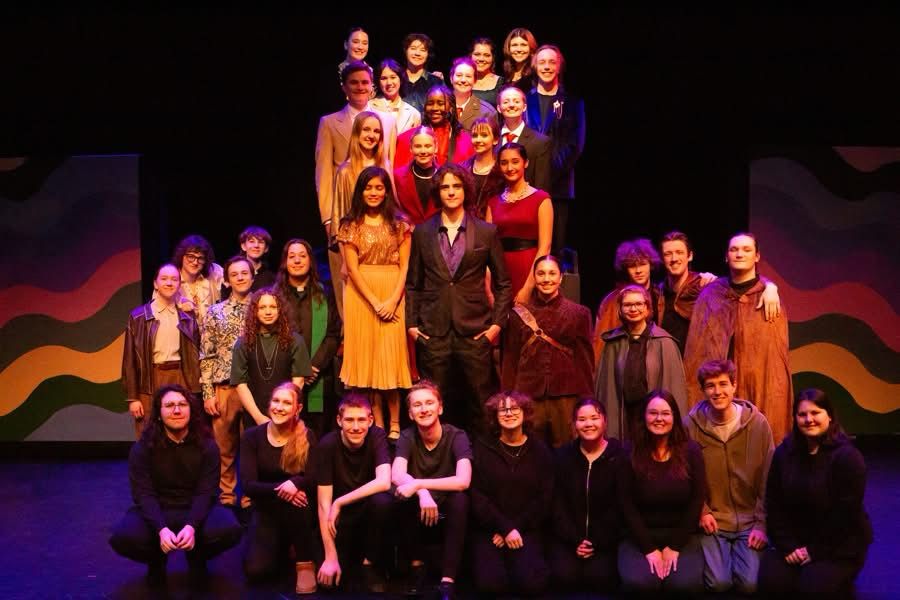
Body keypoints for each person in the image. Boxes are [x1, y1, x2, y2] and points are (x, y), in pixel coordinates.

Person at [406, 163, 512, 434]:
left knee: (481, 403)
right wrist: (413, 328)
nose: (451, 192)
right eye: (445, 187)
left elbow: (502, 283)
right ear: (437, 192)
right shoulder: (422, 232)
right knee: (435, 405)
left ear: (465, 190)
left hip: (475, 331)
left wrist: (496, 326)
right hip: (434, 333)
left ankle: (484, 468)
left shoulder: (486, 231)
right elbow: (413, 284)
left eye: (456, 186)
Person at [109, 385, 241, 587]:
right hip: (159, 509)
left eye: (182, 405)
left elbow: (207, 492)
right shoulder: (142, 448)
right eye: (169, 405)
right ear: (159, 414)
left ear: (190, 410)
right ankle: (156, 561)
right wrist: (161, 529)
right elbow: (143, 494)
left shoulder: (208, 446)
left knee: (229, 529)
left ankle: (197, 558)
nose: (177, 410)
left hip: (195, 509)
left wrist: (191, 526)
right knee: (122, 537)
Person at [759, 389, 872, 597]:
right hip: (795, 540)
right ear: (795, 418)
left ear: (829, 415)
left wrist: (814, 551)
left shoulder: (848, 457)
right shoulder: (785, 452)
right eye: (802, 415)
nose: (809, 419)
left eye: (815, 412)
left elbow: (846, 516)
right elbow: (774, 503)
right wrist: (788, 545)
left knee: (812, 590)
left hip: (837, 545)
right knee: (771, 585)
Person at [683, 232, 792, 442]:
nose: (739, 254)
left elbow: (775, 359)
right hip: (720, 387)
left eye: (746, 249)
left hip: (756, 383)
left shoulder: (768, 297)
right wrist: (700, 279)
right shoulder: (711, 293)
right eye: (734, 249)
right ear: (726, 256)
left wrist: (770, 285)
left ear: (757, 256)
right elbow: (681, 300)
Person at [684, 359, 774, 594]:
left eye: (723, 384)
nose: (717, 391)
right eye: (710, 386)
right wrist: (702, 510)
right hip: (714, 520)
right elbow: (685, 475)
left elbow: (769, 477)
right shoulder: (691, 427)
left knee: (749, 585)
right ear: (703, 391)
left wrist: (762, 524)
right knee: (718, 584)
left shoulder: (758, 424)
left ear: (734, 386)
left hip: (750, 521)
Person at [337, 166, 412, 439]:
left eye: (379, 187)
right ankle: (377, 419)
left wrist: (392, 300)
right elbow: (353, 270)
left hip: (393, 289)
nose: (373, 192)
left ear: (386, 191)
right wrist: (374, 302)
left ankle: (395, 421)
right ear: (360, 191)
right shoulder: (350, 225)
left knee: (390, 358)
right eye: (368, 187)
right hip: (361, 295)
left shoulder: (400, 223)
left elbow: (405, 267)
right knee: (368, 360)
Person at [618, 389, 705, 595]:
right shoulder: (628, 452)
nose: (659, 418)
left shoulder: (691, 451)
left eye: (665, 413)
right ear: (644, 417)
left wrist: (674, 546)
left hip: (681, 535)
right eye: (653, 413)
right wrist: (649, 549)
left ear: (674, 417)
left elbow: (696, 500)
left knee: (684, 586)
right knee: (641, 584)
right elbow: (625, 504)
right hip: (639, 537)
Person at [391, 380, 472, 599]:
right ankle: (417, 567)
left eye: (429, 403)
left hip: (447, 500)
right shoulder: (407, 437)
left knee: (461, 500)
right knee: (400, 495)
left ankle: (448, 579)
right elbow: (397, 474)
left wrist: (418, 484)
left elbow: (463, 481)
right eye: (417, 405)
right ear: (410, 413)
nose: (424, 409)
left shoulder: (457, 436)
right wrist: (421, 493)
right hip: (420, 503)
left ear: (440, 408)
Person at [501, 255, 593, 447]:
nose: (546, 279)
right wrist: (508, 395)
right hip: (528, 395)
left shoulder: (579, 313)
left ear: (560, 278)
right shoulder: (518, 314)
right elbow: (510, 358)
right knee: (531, 450)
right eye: (541, 273)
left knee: (567, 451)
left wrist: (587, 400)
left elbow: (584, 360)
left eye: (552, 273)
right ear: (534, 277)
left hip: (565, 396)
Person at [470, 391, 553, 596]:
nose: (509, 413)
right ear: (495, 416)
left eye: (514, 408)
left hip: (526, 528)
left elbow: (544, 498)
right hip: (491, 530)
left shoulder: (540, 450)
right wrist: (504, 528)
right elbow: (477, 496)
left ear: (525, 413)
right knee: (490, 586)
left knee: (532, 584)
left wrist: (515, 528)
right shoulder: (482, 448)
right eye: (503, 409)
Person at [240, 382, 319, 594]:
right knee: (256, 571)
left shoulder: (307, 435)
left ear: (298, 409)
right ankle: (283, 545)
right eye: (276, 401)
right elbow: (248, 485)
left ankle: (304, 562)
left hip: (299, 512)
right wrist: (284, 489)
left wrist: (297, 483)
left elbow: (313, 477)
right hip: (266, 510)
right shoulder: (251, 437)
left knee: (300, 501)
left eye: (287, 403)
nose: (279, 407)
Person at [312, 393, 393, 592]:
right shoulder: (327, 445)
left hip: (367, 513)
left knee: (383, 502)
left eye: (361, 420)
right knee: (330, 585)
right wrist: (330, 556)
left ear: (370, 420)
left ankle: (369, 563)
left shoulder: (377, 436)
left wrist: (340, 501)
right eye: (349, 420)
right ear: (339, 420)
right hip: (340, 520)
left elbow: (384, 481)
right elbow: (324, 505)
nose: (356, 427)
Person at [316, 61, 397, 256]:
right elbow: (324, 173)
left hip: (381, 212)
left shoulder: (387, 121)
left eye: (365, 82)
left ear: (371, 87)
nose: (360, 87)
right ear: (344, 87)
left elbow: (390, 166)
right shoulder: (329, 123)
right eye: (354, 82)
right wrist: (329, 218)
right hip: (345, 209)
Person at [655, 231, 780, 353]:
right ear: (662, 258)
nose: (674, 258)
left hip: (696, 363)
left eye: (679, 252)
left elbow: (738, 286)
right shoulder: (658, 292)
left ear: (690, 256)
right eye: (668, 254)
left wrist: (770, 285)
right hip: (667, 362)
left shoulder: (704, 284)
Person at [550, 398, 626, 592]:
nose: (589, 424)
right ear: (575, 424)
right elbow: (557, 504)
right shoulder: (562, 456)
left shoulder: (620, 455)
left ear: (604, 421)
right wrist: (575, 539)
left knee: (601, 579)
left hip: (605, 539)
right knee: (563, 577)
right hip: (569, 539)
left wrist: (597, 541)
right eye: (582, 419)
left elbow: (621, 505)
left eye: (594, 417)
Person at [595, 284, 688, 441]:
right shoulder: (613, 343)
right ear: (620, 309)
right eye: (628, 305)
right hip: (624, 414)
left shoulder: (664, 342)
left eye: (639, 304)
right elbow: (606, 389)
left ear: (647, 308)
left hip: (653, 415)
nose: (633, 309)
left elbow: (675, 388)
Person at [123, 263, 201, 439]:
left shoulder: (187, 317)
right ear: (155, 284)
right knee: (148, 434)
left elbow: (198, 352)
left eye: (174, 279)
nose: (169, 283)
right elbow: (129, 360)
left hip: (180, 376)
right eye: (164, 279)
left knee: (181, 433)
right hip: (150, 379)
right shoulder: (138, 317)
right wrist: (133, 398)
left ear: (179, 285)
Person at [199, 255, 254, 507]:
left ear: (252, 276)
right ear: (228, 280)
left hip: (256, 388)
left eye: (245, 273)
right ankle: (226, 497)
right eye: (235, 274)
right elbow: (207, 354)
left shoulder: (264, 306)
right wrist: (208, 392)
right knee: (224, 448)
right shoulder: (215, 312)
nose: (241, 277)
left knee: (254, 445)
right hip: (225, 387)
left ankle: (251, 494)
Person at [329, 110, 393, 317]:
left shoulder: (385, 167)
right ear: (357, 133)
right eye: (366, 129)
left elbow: (393, 211)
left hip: (384, 255)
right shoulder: (346, 171)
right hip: (356, 254)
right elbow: (340, 219)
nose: (371, 135)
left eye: (376, 131)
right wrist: (346, 263)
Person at [275, 239, 342, 437]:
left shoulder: (325, 293)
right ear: (285, 262)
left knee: (317, 437)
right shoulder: (275, 297)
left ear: (310, 261)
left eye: (302, 256)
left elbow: (332, 334)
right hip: (284, 377)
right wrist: (297, 369)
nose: (297, 261)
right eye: (292, 256)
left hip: (319, 378)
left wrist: (313, 366)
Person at [525, 44, 586, 252]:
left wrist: (547, 173)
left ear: (559, 67)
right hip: (527, 185)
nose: (547, 67)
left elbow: (575, 144)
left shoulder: (573, 102)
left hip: (558, 187)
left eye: (552, 62)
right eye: (542, 62)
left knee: (554, 248)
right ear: (535, 67)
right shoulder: (525, 100)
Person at [231, 288, 312, 428]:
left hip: (286, 411)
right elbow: (240, 384)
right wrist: (258, 417)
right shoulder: (243, 343)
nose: (268, 312)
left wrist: (286, 411)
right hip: (254, 413)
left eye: (273, 307)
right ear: (254, 311)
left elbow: (298, 380)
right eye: (262, 307)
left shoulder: (295, 340)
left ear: (281, 310)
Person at [486, 142, 553, 304]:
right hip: (500, 271)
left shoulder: (541, 199)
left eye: (515, 161)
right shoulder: (493, 203)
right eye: (504, 163)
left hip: (529, 268)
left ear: (526, 163)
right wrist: (487, 288)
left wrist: (528, 287)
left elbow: (545, 246)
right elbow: (487, 250)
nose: (510, 167)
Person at [591, 238, 661, 368]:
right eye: (632, 266)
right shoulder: (613, 301)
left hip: (655, 361)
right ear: (625, 268)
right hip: (625, 363)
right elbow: (600, 342)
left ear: (651, 264)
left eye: (642, 264)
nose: (638, 270)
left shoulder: (660, 295)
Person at [395, 85, 474, 169]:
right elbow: (399, 175)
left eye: (441, 104)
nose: (434, 108)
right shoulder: (407, 139)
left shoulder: (465, 140)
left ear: (451, 107)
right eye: (430, 104)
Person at [496, 85, 551, 192]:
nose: (511, 105)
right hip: (495, 203)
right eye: (506, 102)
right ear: (499, 108)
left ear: (524, 107)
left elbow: (541, 186)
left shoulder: (540, 142)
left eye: (516, 101)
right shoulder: (492, 139)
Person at [170, 234, 224, 324]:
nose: (195, 262)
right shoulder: (170, 278)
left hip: (209, 336)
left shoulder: (214, 273)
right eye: (191, 256)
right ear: (181, 256)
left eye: (200, 258)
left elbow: (235, 277)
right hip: (180, 336)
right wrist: (179, 309)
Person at [394, 126, 440, 225]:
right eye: (418, 146)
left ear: (436, 148)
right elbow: (394, 208)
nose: (423, 151)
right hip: (409, 236)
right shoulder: (397, 176)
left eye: (428, 146)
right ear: (411, 148)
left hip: (438, 235)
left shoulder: (445, 176)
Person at [460, 116, 504, 219]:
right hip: (465, 227)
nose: (478, 140)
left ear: (496, 140)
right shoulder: (462, 169)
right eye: (475, 135)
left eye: (484, 135)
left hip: (494, 229)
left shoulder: (502, 170)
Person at [370, 58, 421, 134]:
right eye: (384, 78)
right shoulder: (369, 107)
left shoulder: (414, 114)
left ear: (400, 79)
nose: (389, 83)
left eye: (393, 77)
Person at [450, 56, 498, 131]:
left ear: (475, 81)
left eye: (468, 76)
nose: (463, 80)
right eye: (459, 75)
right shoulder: (440, 106)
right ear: (451, 78)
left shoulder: (487, 112)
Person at [400, 33, 443, 113]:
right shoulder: (397, 79)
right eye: (413, 48)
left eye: (423, 50)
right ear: (406, 51)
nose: (417, 53)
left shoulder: (436, 82)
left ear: (428, 55)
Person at [501, 27, 538, 93]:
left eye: (523, 45)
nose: (519, 49)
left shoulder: (535, 75)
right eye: (514, 45)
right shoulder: (504, 75)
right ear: (508, 48)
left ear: (531, 48)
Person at [470, 37, 505, 106]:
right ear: (470, 56)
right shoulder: (462, 81)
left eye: (487, 55)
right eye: (477, 54)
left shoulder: (502, 83)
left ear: (493, 58)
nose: (481, 59)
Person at [239, 225, 276, 290]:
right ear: (243, 246)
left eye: (261, 242)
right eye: (251, 241)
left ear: (266, 248)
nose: (256, 245)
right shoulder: (235, 275)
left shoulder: (272, 278)